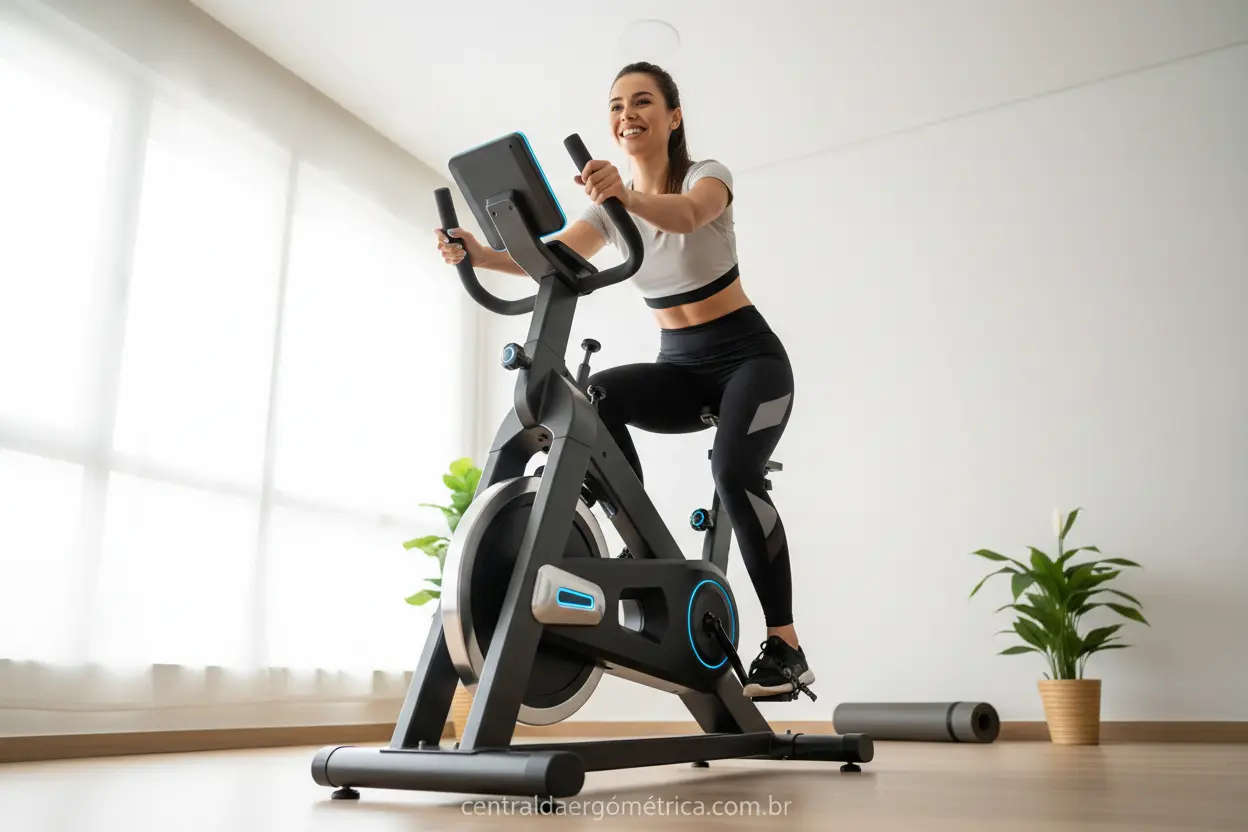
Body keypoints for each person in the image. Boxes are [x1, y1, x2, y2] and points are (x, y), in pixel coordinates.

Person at [434, 62, 811, 700]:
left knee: (735, 473)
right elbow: (552, 260)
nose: (626, 114)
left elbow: (688, 215)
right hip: (681, 369)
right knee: (597, 396)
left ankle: (786, 645)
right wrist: (479, 253)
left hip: (752, 363)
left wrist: (624, 199)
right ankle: (645, 544)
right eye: (615, 105)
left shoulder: (705, 176)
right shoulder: (608, 212)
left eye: (642, 102)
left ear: (673, 116)